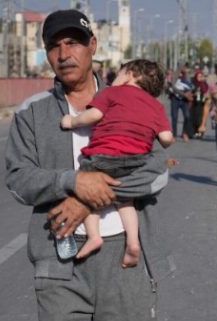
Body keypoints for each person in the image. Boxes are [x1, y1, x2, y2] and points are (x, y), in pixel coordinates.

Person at [4, 9, 172, 321]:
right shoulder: (33, 114)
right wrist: (71, 182)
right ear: (47, 54)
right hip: (58, 259)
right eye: (55, 46)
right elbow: (19, 178)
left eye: (73, 42)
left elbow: (158, 169)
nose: (65, 53)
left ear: (93, 47)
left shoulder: (137, 98)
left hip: (124, 261)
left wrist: (91, 196)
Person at [60, 59, 174, 267]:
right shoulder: (156, 106)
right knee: (126, 201)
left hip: (104, 157)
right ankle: (133, 241)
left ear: (130, 74)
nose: (116, 77)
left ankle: (94, 236)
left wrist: (72, 121)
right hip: (137, 161)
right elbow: (166, 138)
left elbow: (93, 115)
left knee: (88, 192)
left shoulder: (112, 93)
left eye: (120, 72)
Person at [168, 69, 193, 142]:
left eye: (182, 73)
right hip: (175, 99)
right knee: (174, 117)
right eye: (179, 73)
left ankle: (185, 133)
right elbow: (170, 88)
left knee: (187, 116)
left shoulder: (186, 80)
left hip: (184, 100)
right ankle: (174, 135)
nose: (180, 74)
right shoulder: (173, 79)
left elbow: (190, 87)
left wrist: (188, 94)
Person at [189, 70, 209, 139]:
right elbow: (190, 92)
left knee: (201, 118)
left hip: (202, 103)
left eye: (201, 76)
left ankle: (200, 132)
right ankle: (194, 131)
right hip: (194, 103)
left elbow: (207, 92)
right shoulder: (193, 84)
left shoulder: (204, 84)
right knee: (194, 118)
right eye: (198, 76)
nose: (200, 78)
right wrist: (194, 94)